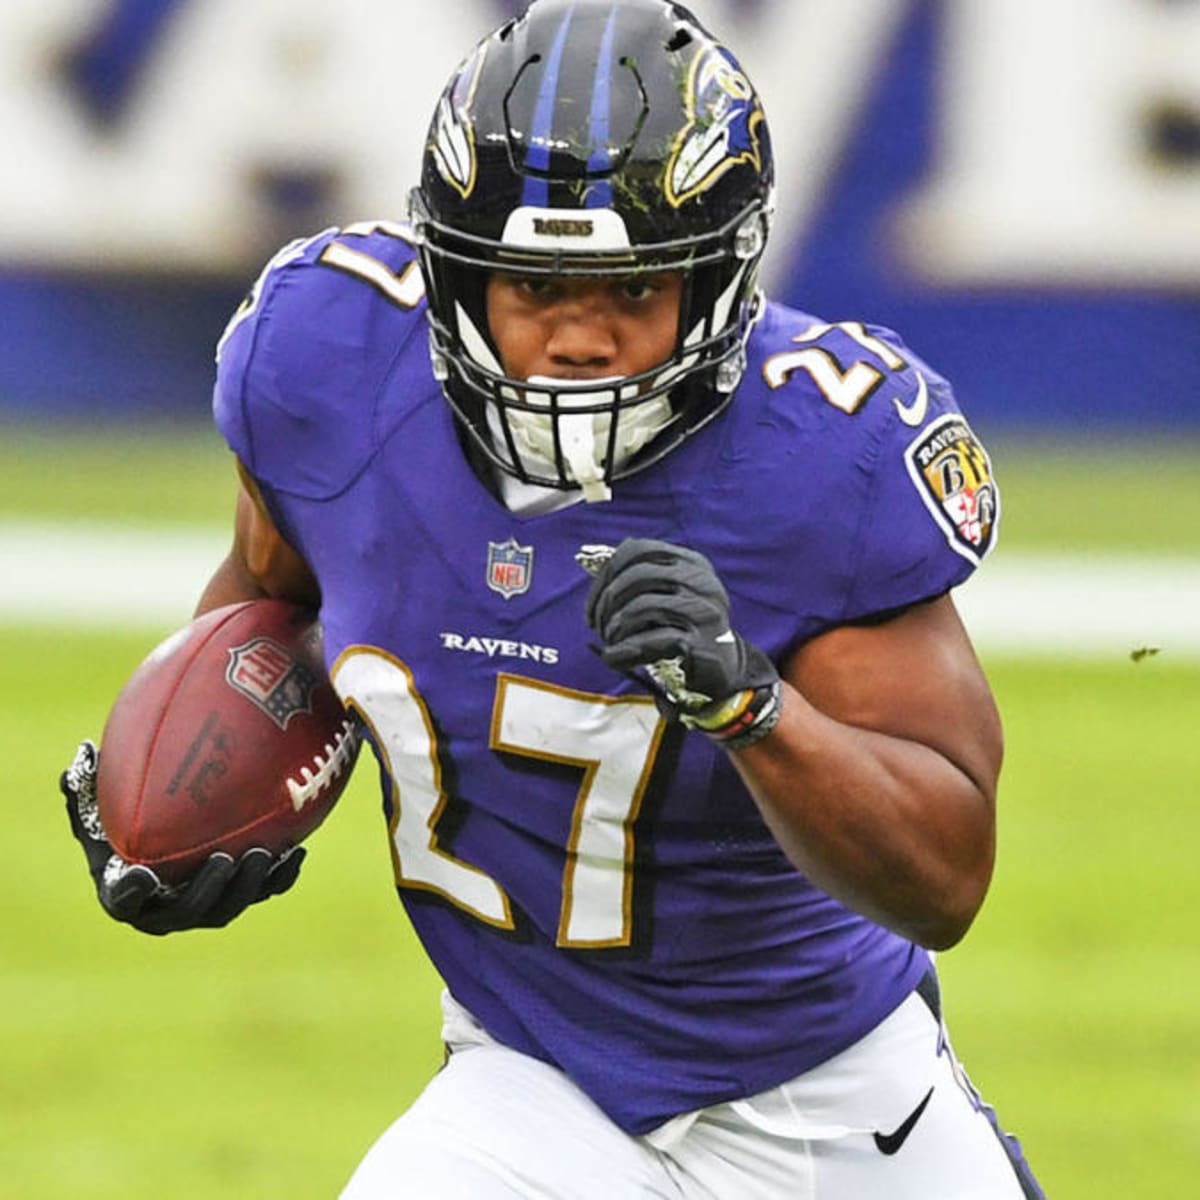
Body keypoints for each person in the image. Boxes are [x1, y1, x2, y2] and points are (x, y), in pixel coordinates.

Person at [60, 1, 1044, 1195]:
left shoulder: (820, 462)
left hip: (832, 1104)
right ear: (452, 273)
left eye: (630, 292)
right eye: (532, 285)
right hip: (529, 1080)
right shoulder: (325, 367)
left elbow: (946, 879)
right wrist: (190, 805)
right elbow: (272, 622)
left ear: (718, 278)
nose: (578, 338)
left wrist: (750, 707)